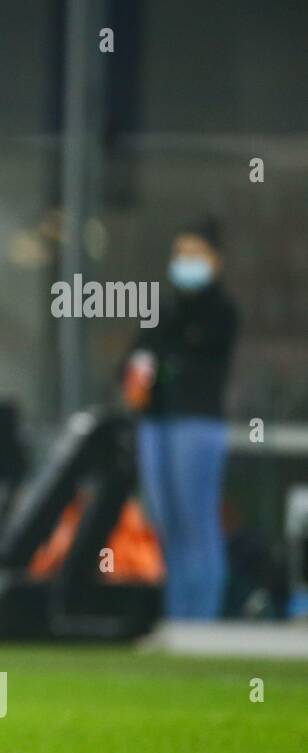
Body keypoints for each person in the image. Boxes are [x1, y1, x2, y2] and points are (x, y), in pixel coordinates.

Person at [122, 217, 239, 619]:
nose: (187, 262)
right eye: (181, 254)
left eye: (196, 255)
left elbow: (188, 355)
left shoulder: (220, 312)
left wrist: (163, 360)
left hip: (196, 424)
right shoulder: (164, 308)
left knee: (197, 524)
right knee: (163, 525)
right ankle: (173, 617)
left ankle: (201, 621)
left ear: (215, 260)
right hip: (157, 423)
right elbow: (138, 358)